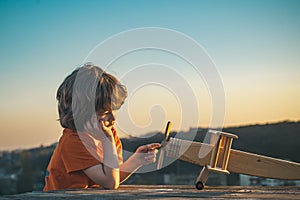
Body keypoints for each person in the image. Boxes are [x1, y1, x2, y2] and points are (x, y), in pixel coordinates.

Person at [43, 63, 160, 191]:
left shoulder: (108, 133)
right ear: (82, 112)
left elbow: (112, 174)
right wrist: (107, 140)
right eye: (104, 113)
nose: (113, 118)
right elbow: (110, 182)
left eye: (114, 110)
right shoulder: (73, 141)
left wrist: (136, 161)